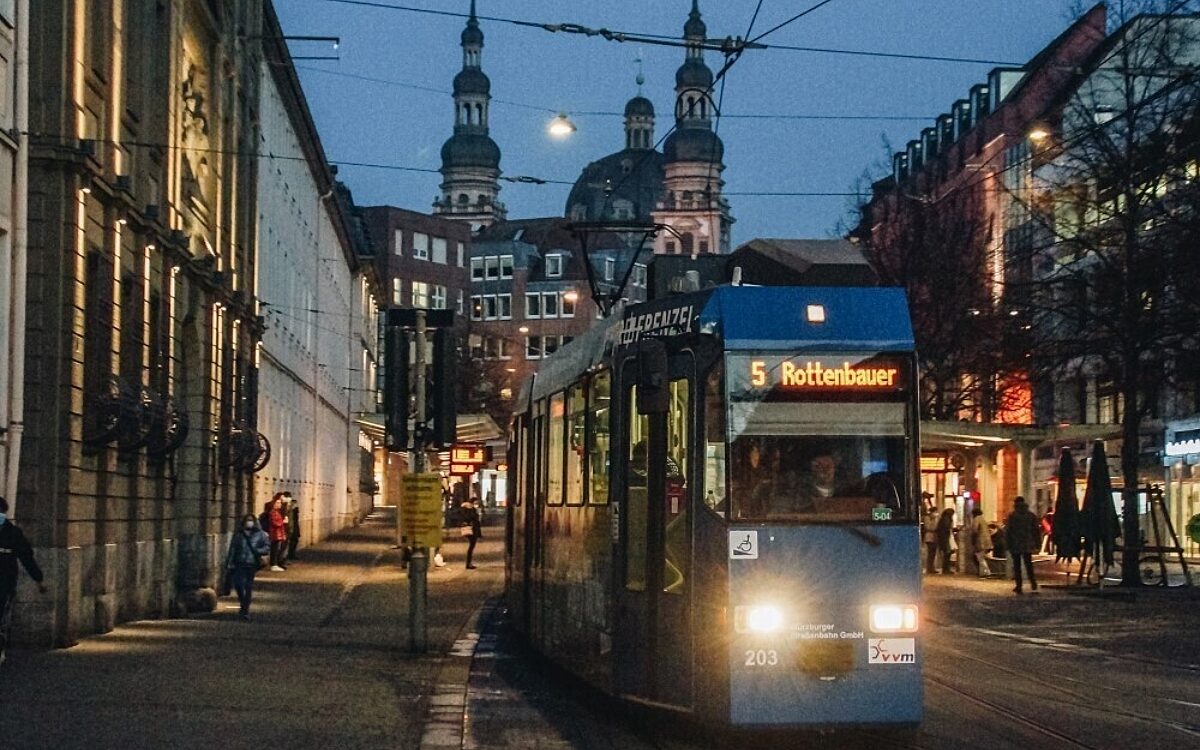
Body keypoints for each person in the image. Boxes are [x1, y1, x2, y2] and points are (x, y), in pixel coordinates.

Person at [0, 497, 48, 659]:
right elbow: (27, 558)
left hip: (4, 583)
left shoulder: (13, 533)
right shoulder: (13, 532)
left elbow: (27, 558)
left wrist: (38, 579)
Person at [223, 513, 271, 620]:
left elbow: (267, 548)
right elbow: (233, 549)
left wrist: (257, 550)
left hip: (251, 563)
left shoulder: (260, 534)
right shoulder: (239, 534)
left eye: (251, 520)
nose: (249, 522)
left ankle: (245, 609)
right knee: (238, 584)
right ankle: (243, 602)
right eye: (247, 520)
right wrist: (229, 563)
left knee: (248, 586)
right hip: (240, 562)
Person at [1005, 496, 1041, 594]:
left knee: (1017, 566)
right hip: (1027, 543)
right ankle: (1033, 582)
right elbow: (1036, 530)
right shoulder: (1031, 515)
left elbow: (1008, 531)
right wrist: (1038, 543)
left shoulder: (1012, 516)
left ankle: (1019, 586)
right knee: (1028, 564)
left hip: (1015, 544)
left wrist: (1007, 543)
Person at [261, 495, 288, 571]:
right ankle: (273, 564)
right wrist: (282, 522)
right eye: (278, 503)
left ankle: (275, 563)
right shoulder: (273, 512)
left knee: (276, 549)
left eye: (280, 503)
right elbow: (274, 522)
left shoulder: (277, 512)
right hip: (275, 533)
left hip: (278, 533)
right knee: (274, 549)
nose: (280, 504)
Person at [459, 498, 482, 569]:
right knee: (471, 547)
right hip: (471, 529)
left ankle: (469, 563)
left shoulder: (467, 509)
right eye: (475, 503)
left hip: (472, 529)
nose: (476, 504)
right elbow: (472, 519)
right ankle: (468, 563)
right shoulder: (469, 509)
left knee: (471, 546)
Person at [971, 507, 993, 578]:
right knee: (981, 557)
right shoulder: (983, 519)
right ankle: (983, 572)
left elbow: (974, 530)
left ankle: (986, 572)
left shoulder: (976, 519)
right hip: (987, 541)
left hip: (980, 541)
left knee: (980, 557)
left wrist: (973, 539)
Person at [934, 508, 955, 574]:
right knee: (947, 554)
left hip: (943, 539)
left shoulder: (942, 519)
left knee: (946, 554)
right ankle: (946, 569)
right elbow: (947, 528)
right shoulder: (946, 519)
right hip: (945, 539)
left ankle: (945, 568)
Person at [923, 507, 940, 574]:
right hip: (929, 537)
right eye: (935, 512)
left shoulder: (936, 518)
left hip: (934, 538)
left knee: (933, 553)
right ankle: (929, 568)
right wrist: (933, 521)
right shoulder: (927, 518)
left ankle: (932, 567)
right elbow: (929, 527)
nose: (936, 513)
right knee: (930, 553)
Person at [285, 493, 301, 561]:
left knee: (295, 540)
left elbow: (295, 518)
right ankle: (289, 555)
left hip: (294, 526)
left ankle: (292, 554)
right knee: (290, 542)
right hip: (290, 526)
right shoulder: (288, 508)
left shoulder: (294, 508)